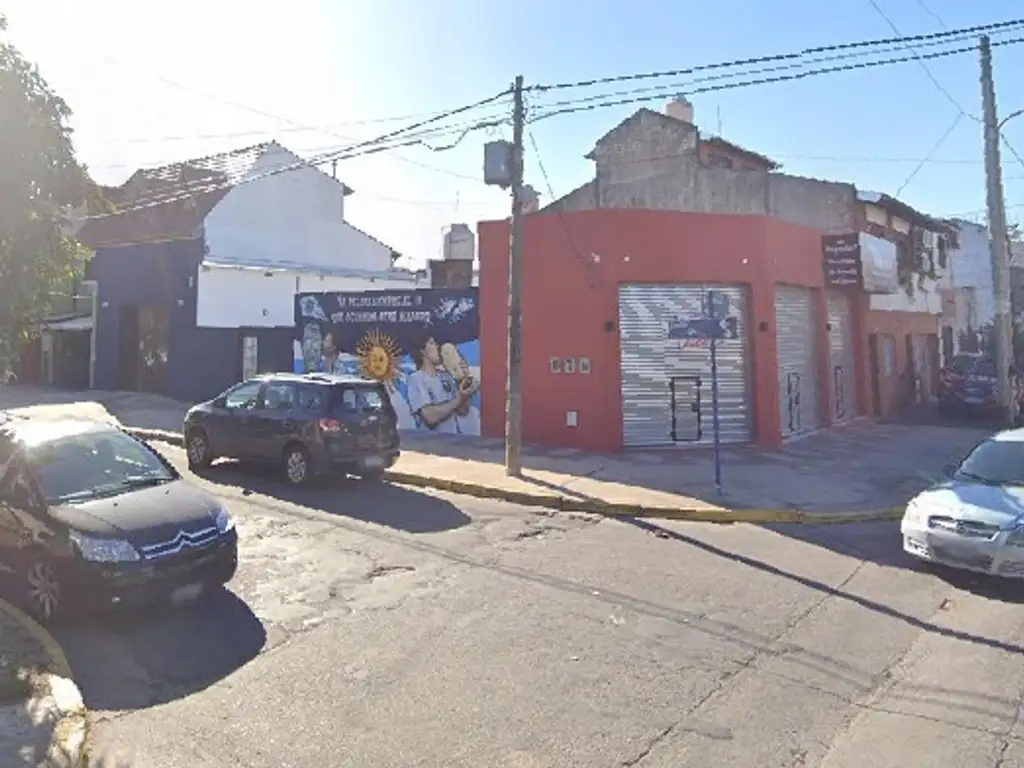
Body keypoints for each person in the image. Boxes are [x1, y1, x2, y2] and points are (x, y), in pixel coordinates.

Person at [406, 330, 479, 434]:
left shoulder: (446, 376)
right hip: (432, 442)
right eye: (432, 343)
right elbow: (430, 417)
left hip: (453, 439)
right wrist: (458, 399)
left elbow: (463, 411)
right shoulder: (416, 379)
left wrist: (463, 379)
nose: (438, 347)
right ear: (422, 351)